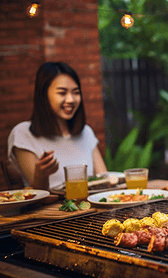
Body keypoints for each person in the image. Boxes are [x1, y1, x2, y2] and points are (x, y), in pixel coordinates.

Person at [7, 62, 107, 190]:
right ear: (44, 95)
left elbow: (104, 179)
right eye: (62, 93)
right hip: (49, 209)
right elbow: (36, 194)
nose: (71, 100)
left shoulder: (86, 132)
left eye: (76, 93)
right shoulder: (23, 133)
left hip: (88, 206)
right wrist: (41, 175)